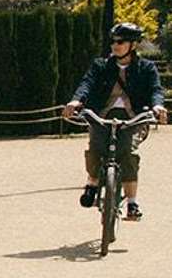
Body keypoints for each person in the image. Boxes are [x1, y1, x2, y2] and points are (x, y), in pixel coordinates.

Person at [63, 21, 167, 220]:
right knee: (96, 147)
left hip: (133, 117)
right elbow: (87, 84)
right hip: (102, 115)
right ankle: (92, 182)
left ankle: (132, 203)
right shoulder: (100, 66)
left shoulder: (146, 68)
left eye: (121, 42)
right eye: (113, 41)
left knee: (128, 153)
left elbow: (155, 89)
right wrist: (76, 101)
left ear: (133, 45)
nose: (115, 45)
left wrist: (157, 106)